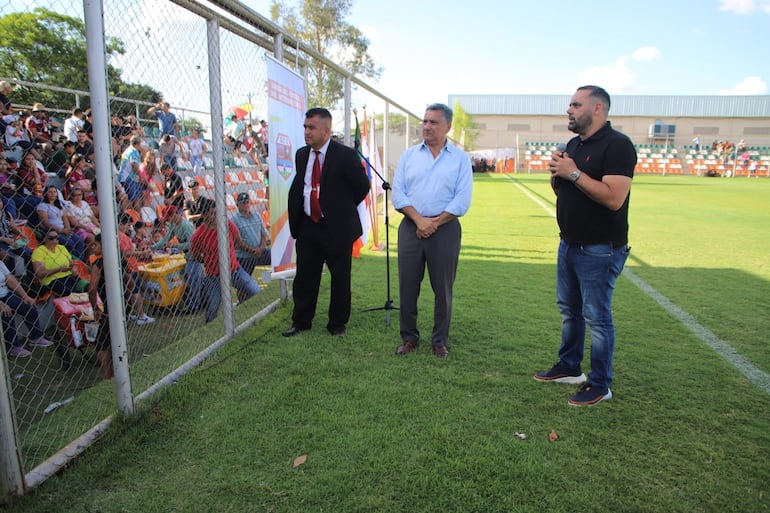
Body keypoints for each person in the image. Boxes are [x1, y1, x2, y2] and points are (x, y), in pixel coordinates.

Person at [534, 85, 636, 407]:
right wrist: (558, 174)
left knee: (597, 317)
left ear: (597, 109)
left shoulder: (618, 146)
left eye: (576, 104)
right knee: (569, 311)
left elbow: (613, 198)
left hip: (600, 249)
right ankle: (569, 366)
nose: (569, 109)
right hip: (569, 244)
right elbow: (564, 193)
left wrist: (573, 172)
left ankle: (600, 383)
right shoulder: (573, 145)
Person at [391, 103, 473, 359]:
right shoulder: (409, 156)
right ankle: (409, 337)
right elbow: (399, 193)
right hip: (410, 227)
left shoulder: (460, 159)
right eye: (425, 121)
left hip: (445, 229)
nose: (426, 126)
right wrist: (418, 220)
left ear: (447, 126)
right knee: (407, 286)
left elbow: (462, 199)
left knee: (443, 289)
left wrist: (434, 223)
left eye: (433, 122)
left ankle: (439, 340)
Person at [282, 108, 370, 338]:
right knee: (305, 277)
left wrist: (339, 208)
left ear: (326, 131)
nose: (307, 132)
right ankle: (301, 321)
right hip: (308, 226)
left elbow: (362, 186)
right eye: (305, 127)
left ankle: (337, 324)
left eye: (311, 128)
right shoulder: (302, 155)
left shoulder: (345, 155)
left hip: (336, 228)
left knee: (340, 278)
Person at [189, 199, 261, 322]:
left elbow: (238, 241)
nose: (216, 216)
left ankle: (242, 311)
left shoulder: (227, 224)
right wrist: (209, 261)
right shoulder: (199, 235)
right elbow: (195, 255)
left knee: (255, 291)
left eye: (217, 212)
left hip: (233, 270)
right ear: (204, 215)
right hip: (214, 276)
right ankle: (210, 329)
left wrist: (231, 255)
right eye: (212, 213)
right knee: (212, 309)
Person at [152, 204, 203, 313]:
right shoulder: (173, 225)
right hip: (188, 256)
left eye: (169, 218)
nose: (168, 221)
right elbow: (165, 239)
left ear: (175, 215)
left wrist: (176, 246)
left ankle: (194, 306)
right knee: (192, 280)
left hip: (195, 256)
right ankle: (196, 303)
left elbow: (191, 244)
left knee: (194, 281)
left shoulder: (186, 226)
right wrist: (152, 248)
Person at [1, 259, 53, 358]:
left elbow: (10, 279)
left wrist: (25, 296)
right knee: (6, 314)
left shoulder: (0, 263)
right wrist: (1, 305)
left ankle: (36, 337)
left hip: (5, 293)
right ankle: (15, 347)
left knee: (29, 307)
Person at [87, 234, 114, 378]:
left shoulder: (99, 264)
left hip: (109, 308)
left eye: (95, 245)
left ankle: (108, 376)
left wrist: (95, 308)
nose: (93, 247)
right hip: (121, 306)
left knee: (101, 342)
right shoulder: (119, 258)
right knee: (113, 337)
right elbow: (130, 283)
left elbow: (91, 289)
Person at [31, 228, 86, 297]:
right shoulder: (39, 251)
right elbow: (39, 273)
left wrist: (73, 267)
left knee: (86, 287)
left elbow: (71, 262)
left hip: (69, 276)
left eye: (56, 237)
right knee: (74, 293)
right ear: (44, 239)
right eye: (51, 238)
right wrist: (59, 269)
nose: (54, 240)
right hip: (53, 280)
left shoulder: (61, 248)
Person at [36, 185, 85, 259]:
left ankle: (79, 261)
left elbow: (65, 218)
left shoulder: (59, 205)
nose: (53, 194)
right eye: (50, 192)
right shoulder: (42, 206)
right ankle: (71, 259)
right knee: (69, 243)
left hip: (64, 229)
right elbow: (45, 223)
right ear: (46, 194)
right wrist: (61, 231)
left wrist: (67, 229)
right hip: (52, 230)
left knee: (79, 241)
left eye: (55, 192)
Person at [231, 192, 270, 277]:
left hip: (260, 251)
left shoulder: (256, 216)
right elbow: (237, 242)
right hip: (244, 256)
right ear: (238, 205)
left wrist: (261, 248)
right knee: (245, 286)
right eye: (243, 203)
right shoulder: (234, 220)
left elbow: (263, 234)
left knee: (277, 257)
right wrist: (252, 250)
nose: (246, 204)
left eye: (247, 202)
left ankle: (272, 278)